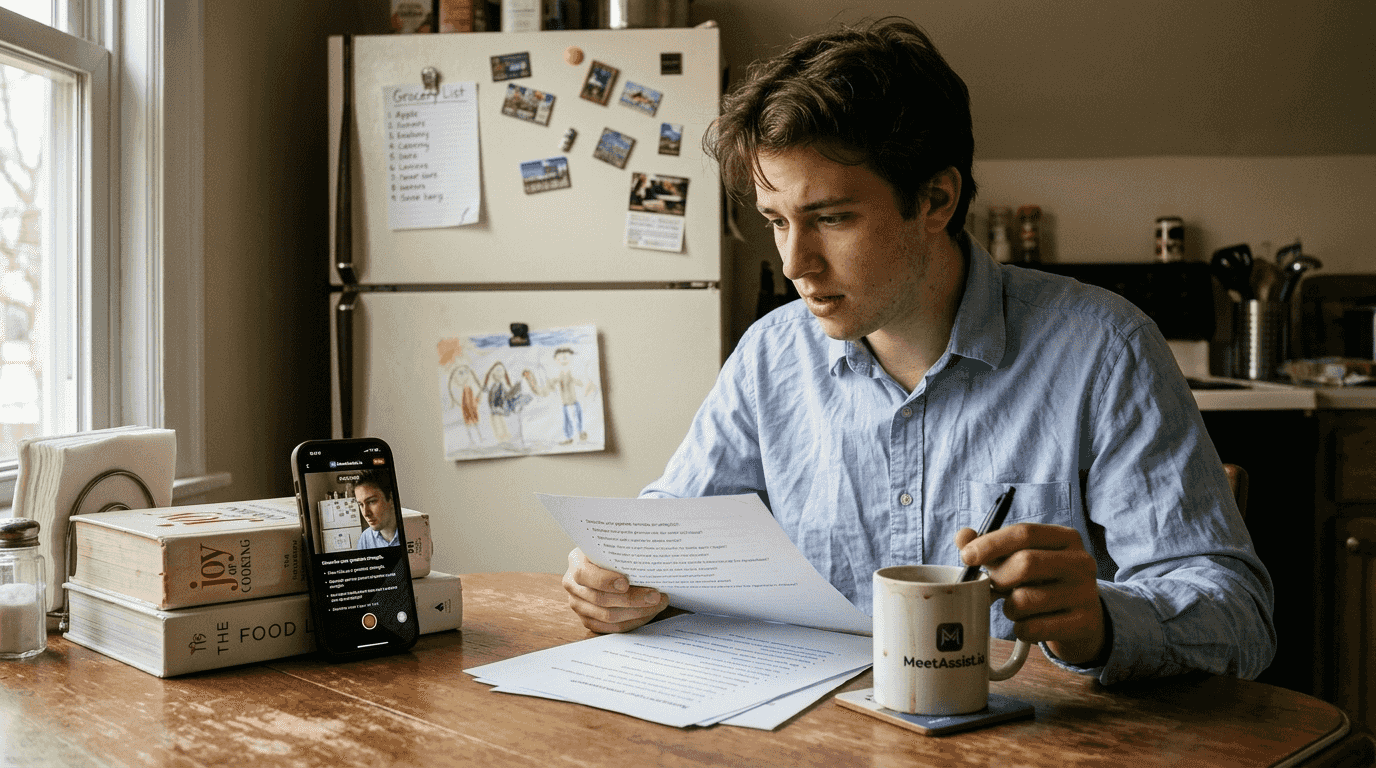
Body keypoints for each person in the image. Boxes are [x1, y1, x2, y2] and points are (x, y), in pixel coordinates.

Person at [562, 16, 1276, 685]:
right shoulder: (769, 357)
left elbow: (1238, 617)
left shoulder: (1105, 350)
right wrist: (621, 580)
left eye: (831, 219)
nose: (794, 264)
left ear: (936, 200)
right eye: (776, 220)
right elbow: (672, 534)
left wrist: (1100, 624)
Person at [354, 469, 401, 549]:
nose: (365, 513)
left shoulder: (413, 531)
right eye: (361, 504)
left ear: (391, 499)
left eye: (371, 502)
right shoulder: (365, 538)